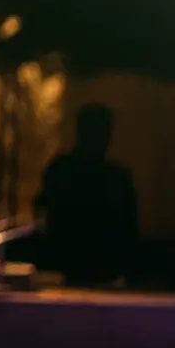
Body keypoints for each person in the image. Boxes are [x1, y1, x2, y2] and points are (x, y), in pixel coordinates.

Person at [33, 104, 138, 286]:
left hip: (68, 265)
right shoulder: (117, 177)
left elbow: (41, 210)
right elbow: (129, 227)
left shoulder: (60, 169)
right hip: (95, 267)